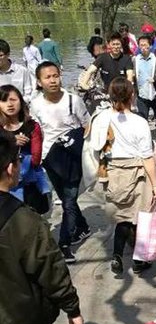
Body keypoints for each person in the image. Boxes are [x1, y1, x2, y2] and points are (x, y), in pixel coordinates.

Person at [0, 134, 83, 324]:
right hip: (25, 319)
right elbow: (51, 269)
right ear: (11, 168)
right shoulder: (24, 220)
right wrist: (72, 307)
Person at [97, 77, 156, 275]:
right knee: (140, 218)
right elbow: (147, 158)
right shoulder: (139, 122)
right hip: (136, 172)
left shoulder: (101, 118)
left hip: (113, 171)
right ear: (131, 96)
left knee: (122, 218)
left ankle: (117, 255)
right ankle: (138, 261)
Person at [30, 62, 91, 263]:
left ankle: (64, 243)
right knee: (66, 200)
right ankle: (82, 227)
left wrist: (82, 146)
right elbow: (35, 131)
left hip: (72, 158)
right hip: (49, 159)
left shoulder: (74, 100)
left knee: (70, 200)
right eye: (47, 77)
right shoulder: (36, 104)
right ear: (39, 82)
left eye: (55, 75)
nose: (53, 80)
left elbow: (87, 125)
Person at [0, 85, 50, 213]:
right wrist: (11, 141)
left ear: (20, 102)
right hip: (3, 180)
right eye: (4, 101)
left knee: (33, 213)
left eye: (13, 100)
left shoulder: (32, 126)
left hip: (29, 178)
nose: (9, 104)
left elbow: (36, 156)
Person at [133, 35, 156, 136]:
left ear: (150, 46)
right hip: (141, 93)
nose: (143, 47)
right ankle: (144, 135)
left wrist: (155, 80)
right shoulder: (135, 60)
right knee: (142, 116)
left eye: (145, 45)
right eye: (141, 45)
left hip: (154, 92)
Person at [0, 39, 34, 103]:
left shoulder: (22, 71)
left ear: (8, 54)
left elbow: (29, 94)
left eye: (1, 56)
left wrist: (16, 103)